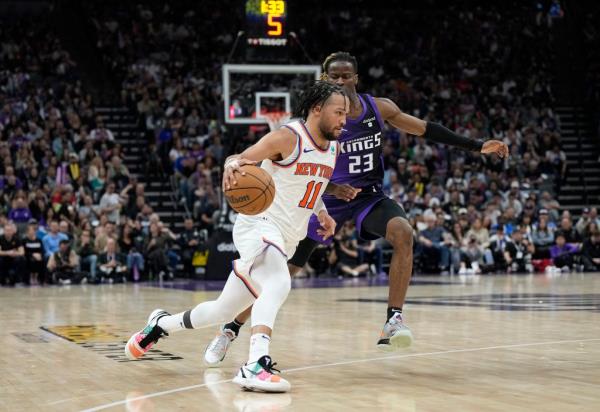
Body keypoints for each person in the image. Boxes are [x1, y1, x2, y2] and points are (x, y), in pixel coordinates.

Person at [204, 51, 509, 365]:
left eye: (346, 75)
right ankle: (230, 329)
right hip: (320, 201)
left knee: (403, 232)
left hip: (368, 197)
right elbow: (306, 170)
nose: (340, 81)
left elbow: (423, 128)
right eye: (334, 76)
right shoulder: (315, 121)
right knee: (282, 274)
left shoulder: (379, 107)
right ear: (324, 80)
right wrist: (334, 188)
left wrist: (476, 145)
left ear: (356, 78)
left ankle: (393, 320)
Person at [124, 81, 346, 393]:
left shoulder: (333, 148)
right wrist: (231, 164)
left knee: (221, 311)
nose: (343, 120)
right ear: (317, 109)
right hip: (260, 223)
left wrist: (322, 212)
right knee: (280, 282)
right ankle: (256, 363)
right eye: (339, 113)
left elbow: (311, 183)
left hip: (287, 236)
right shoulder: (288, 136)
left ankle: (159, 325)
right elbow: (241, 159)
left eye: (346, 115)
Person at [0, 221, 25, 286]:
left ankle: (18, 279)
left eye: (9, 230)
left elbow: (22, 252)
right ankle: (2, 278)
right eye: (6, 230)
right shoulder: (1, 238)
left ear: (12, 231)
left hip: (13, 259)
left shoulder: (17, 239)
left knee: (22, 258)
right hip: (3, 258)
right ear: (4, 231)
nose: (8, 232)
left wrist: (15, 253)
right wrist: (8, 252)